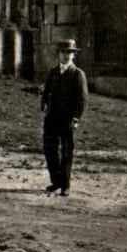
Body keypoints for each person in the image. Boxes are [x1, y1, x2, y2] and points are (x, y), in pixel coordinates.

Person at [40, 37, 88, 196]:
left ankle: (65, 184)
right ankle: (56, 181)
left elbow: (82, 99)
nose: (66, 55)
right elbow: (46, 92)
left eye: (70, 52)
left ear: (74, 55)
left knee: (67, 151)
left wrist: (76, 119)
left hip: (67, 120)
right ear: (59, 54)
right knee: (49, 149)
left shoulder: (77, 74)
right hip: (52, 118)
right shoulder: (53, 73)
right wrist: (44, 105)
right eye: (63, 52)